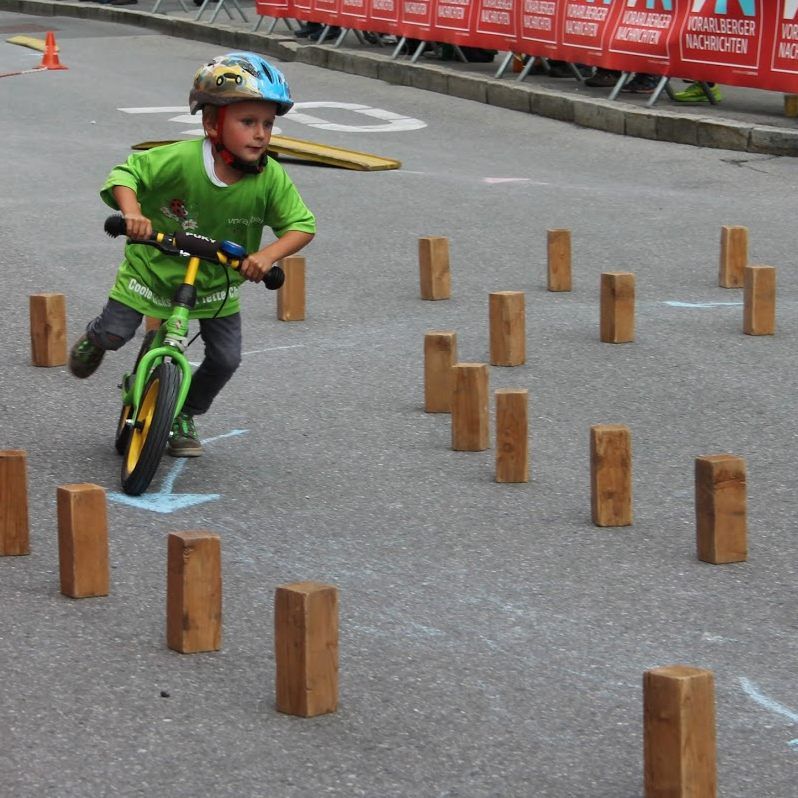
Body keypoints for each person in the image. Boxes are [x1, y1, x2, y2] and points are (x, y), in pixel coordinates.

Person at [68, 52, 316, 457]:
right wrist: (132, 214)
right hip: (152, 269)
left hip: (216, 281)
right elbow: (126, 174)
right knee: (116, 333)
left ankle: (184, 412)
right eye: (248, 122)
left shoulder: (270, 177)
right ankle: (96, 338)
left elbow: (301, 225)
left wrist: (268, 255)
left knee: (226, 359)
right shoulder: (182, 160)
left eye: (268, 124)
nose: (260, 134)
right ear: (211, 123)